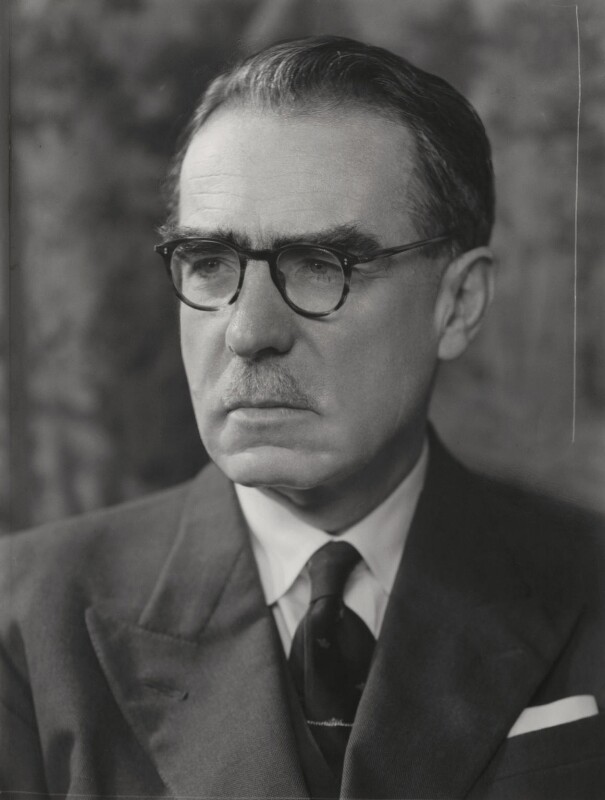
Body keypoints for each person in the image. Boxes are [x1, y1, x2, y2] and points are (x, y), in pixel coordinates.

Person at [1, 35, 604, 800]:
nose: (249, 331)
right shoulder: (24, 620)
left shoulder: (586, 584)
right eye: (209, 263)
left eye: (322, 266)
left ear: (458, 304)